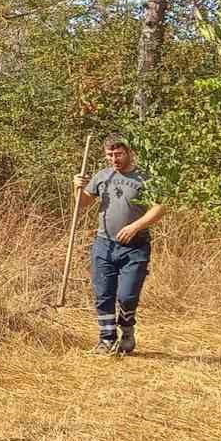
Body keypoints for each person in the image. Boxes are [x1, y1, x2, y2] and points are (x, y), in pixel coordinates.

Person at [73, 134, 164, 356]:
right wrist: (77, 187)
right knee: (103, 293)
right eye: (110, 154)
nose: (115, 158)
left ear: (129, 153)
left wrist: (136, 226)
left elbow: (159, 208)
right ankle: (106, 340)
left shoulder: (144, 178)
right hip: (104, 244)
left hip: (135, 246)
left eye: (119, 154)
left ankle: (127, 330)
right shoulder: (101, 176)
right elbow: (82, 204)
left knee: (127, 296)